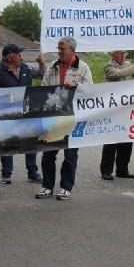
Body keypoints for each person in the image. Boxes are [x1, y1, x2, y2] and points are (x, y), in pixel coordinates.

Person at [35, 36, 93, 200]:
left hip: (73, 116)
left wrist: (77, 86)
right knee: (48, 153)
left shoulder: (83, 68)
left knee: (70, 154)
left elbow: (91, 90)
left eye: (62, 49)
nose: (59, 52)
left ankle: (66, 187)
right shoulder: (52, 67)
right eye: (58, 49)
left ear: (72, 50)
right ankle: (47, 186)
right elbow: (44, 88)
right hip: (54, 116)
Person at [0, 44, 46, 184]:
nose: (21, 56)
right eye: (18, 54)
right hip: (7, 113)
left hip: (27, 109)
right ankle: (6, 173)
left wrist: (42, 63)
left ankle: (32, 171)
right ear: (9, 57)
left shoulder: (26, 67)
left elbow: (42, 74)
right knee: (8, 142)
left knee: (31, 140)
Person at [100, 49, 134, 180]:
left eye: (124, 53)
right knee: (111, 139)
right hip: (113, 106)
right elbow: (120, 74)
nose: (123, 56)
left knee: (127, 139)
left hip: (127, 106)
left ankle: (122, 169)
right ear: (113, 55)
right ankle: (106, 170)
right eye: (120, 53)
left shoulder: (128, 64)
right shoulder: (108, 66)